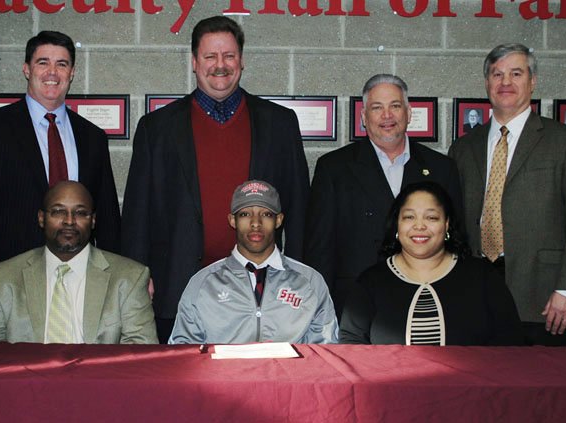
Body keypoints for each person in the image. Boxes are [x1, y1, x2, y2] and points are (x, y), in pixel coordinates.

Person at [123, 16, 310, 342]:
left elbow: (300, 210)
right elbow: (138, 213)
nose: (220, 65)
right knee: (182, 387)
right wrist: (137, 279)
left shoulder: (279, 124)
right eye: (210, 57)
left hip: (262, 293)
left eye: (229, 56)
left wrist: (300, 278)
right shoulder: (157, 129)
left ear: (242, 61)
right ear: (195, 63)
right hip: (178, 288)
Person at [0, 31, 121, 322]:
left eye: (62, 64)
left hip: (79, 279)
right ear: (27, 69)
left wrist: (116, 278)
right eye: (43, 63)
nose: (52, 72)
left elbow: (105, 214)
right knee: (9, 366)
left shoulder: (92, 137)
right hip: (7, 279)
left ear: (73, 72)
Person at [449, 44, 566, 346]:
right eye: (497, 74)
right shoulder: (464, 148)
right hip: (474, 294)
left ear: (532, 82)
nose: (505, 83)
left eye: (516, 73)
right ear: (487, 83)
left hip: (543, 296)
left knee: (539, 387)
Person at [304, 74, 462, 319]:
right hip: (356, 304)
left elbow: (455, 242)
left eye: (395, 106)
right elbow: (319, 248)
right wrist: (320, 309)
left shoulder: (442, 168)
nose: (387, 116)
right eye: (377, 108)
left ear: (409, 114)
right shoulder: (334, 168)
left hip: (426, 300)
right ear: (364, 118)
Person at [0, 181, 157, 344]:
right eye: (59, 211)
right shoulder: (4, 276)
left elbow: (140, 352)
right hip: (28, 380)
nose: (69, 221)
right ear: (41, 218)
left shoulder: (130, 277)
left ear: (93, 220)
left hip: (97, 380)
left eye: (80, 213)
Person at [340, 182, 522, 345]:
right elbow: (351, 343)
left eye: (431, 218)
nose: (419, 226)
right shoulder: (370, 282)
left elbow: (509, 341)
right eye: (409, 217)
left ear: (447, 224)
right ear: (397, 225)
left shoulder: (483, 277)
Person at [169, 180, 337, 344]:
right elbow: (183, 351)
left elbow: (326, 352)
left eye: (266, 214)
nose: (256, 223)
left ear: (278, 220)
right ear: (232, 220)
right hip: (224, 373)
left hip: (289, 372)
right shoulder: (203, 283)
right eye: (245, 214)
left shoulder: (310, 282)